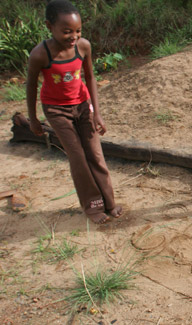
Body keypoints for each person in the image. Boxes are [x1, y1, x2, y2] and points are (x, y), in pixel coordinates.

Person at [26, 0, 122, 224]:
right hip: (56, 110)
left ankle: (109, 202)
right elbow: (30, 86)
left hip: (82, 106)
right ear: (49, 26)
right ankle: (93, 205)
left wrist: (97, 113)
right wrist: (33, 119)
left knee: (95, 154)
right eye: (67, 31)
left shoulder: (83, 47)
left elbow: (90, 78)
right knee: (78, 157)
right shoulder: (40, 54)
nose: (74, 36)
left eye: (78, 31)